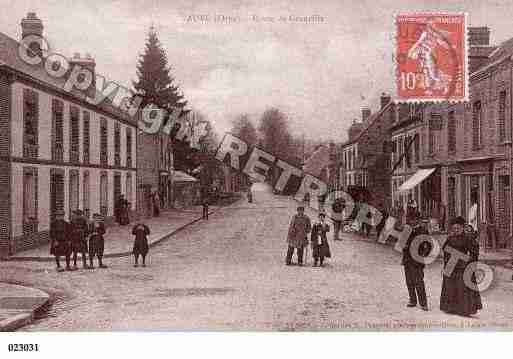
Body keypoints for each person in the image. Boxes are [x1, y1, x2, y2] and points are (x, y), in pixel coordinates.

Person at [440, 216, 483, 316]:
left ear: (462, 228)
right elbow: (445, 249)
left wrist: (470, 262)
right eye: (454, 229)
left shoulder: (468, 238)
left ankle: (464, 309)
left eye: (458, 228)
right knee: (450, 286)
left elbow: (474, 252)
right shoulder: (450, 238)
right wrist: (447, 263)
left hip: (463, 266)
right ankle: (451, 307)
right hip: (451, 264)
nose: (456, 230)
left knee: (462, 288)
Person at [402, 212, 430, 311]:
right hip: (407, 259)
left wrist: (423, 255)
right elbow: (401, 243)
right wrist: (403, 246)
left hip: (417, 260)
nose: (411, 221)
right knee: (409, 281)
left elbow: (428, 245)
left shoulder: (423, 231)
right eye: (410, 219)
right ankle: (412, 300)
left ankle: (423, 303)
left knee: (418, 281)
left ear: (418, 220)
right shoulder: (406, 230)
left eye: (413, 219)